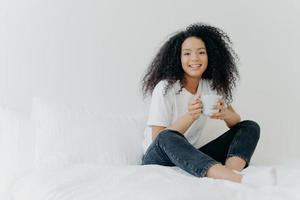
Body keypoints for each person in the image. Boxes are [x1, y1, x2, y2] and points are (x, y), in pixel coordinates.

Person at [140, 23, 275, 186]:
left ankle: (230, 173)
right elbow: (158, 140)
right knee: (167, 136)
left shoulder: (211, 86)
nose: (194, 59)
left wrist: (225, 114)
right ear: (178, 58)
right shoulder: (165, 88)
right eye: (187, 54)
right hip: (158, 157)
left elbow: (236, 121)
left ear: (210, 55)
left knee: (249, 126)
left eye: (201, 52)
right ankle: (240, 179)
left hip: (190, 154)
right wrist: (190, 116)